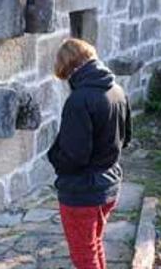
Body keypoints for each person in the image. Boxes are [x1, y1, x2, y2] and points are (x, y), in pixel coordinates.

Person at [48, 39, 131, 269]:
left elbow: (75, 156)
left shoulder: (79, 100)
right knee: (93, 244)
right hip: (110, 182)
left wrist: (54, 159)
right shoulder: (117, 90)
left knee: (84, 255)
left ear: (68, 66)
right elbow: (126, 138)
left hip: (83, 190)